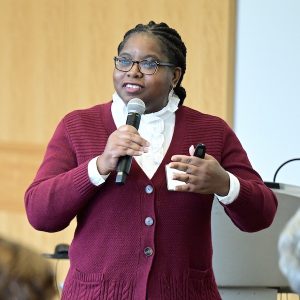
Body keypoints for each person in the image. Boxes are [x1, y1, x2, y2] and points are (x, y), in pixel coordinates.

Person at [24, 21, 278, 300]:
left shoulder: (212, 131)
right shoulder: (78, 126)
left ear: (175, 76)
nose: (132, 71)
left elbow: (262, 214)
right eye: (124, 60)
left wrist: (224, 184)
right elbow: (39, 213)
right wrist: (98, 167)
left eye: (149, 64)